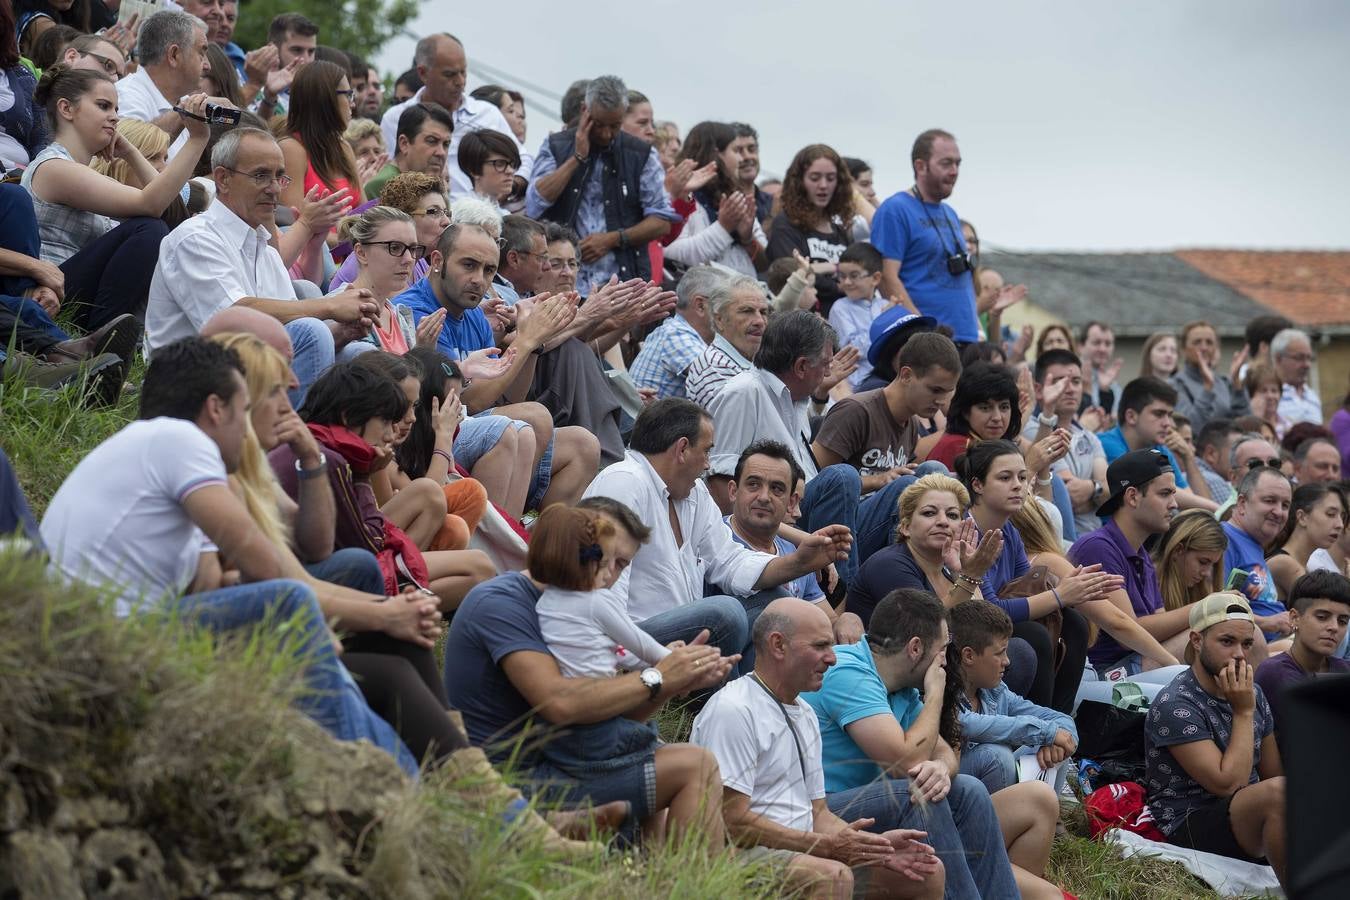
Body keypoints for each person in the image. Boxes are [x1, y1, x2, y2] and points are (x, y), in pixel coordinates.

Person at [39, 336, 418, 774]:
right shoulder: (181, 441)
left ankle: (387, 768)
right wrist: (366, 615)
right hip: (97, 639)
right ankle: (382, 773)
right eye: (250, 404)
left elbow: (211, 584)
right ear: (217, 408)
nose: (288, 396)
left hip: (113, 628)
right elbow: (264, 565)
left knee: (316, 595)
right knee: (289, 602)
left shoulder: (175, 457)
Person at [442, 502, 737, 849]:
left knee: (662, 759)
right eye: (605, 557)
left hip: (560, 762)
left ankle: (649, 876)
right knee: (694, 765)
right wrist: (658, 676)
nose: (610, 574)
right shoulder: (502, 602)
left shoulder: (575, 608)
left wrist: (673, 681)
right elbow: (561, 704)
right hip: (503, 783)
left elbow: (607, 714)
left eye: (622, 564)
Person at [802, 588, 1051, 900]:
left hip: (870, 803)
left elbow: (946, 752)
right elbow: (903, 766)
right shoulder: (850, 673)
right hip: (820, 812)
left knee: (969, 790)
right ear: (916, 648)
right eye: (944, 648)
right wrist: (936, 693)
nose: (946, 660)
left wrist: (940, 768)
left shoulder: (901, 685)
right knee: (918, 791)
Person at [691, 597, 944, 900]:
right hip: (737, 858)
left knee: (927, 873)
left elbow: (818, 813)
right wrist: (822, 847)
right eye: (821, 646)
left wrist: (870, 846)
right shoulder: (735, 709)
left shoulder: (804, 713)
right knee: (832, 875)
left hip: (802, 850)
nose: (832, 657)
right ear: (778, 645)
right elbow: (730, 821)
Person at [582, 398, 852, 665]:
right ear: (683, 449)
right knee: (726, 612)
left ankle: (754, 701)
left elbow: (730, 561)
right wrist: (627, 663)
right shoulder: (623, 483)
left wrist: (798, 562)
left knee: (776, 606)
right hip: (626, 644)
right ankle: (719, 701)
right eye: (708, 451)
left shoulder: (694, 493)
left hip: (682, 639)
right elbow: (600, 596)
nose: (709, 465)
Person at [145, 127, 378, 407]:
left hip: (246, 370)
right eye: (261, 175)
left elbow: (285, 332)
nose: (275, 188)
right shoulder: (195, 238)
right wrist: (330, 307)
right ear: (223, 178)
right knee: (312, 328)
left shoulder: (263, 247)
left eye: (280, 176)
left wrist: (340, 333)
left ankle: (333, 445)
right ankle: (289, 446)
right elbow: (232, 319)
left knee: (361, 355)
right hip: (188, 386)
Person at [21, 65, 210, 330]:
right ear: (67, 109)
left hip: (72, 289)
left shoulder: (82, 173)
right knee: (148, 229)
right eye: (103, 106)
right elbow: (151, 205)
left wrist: (130, 152)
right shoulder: (54, 167)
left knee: (158, 229)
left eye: (116, 110)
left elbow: (171, 213)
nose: (114, 118)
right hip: (51, 291)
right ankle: (104, 336)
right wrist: (197, 139)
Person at [959, 440, 1119, 711]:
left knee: (1074, 621)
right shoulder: (966, 530)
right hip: (965, 634)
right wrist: (1060, 594)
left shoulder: (1008, 529)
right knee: (1034, 634)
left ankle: (1061, 720)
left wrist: (1073, 587)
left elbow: (1027, 585)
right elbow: (990, 610)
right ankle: (1039, 730)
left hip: (998, 623)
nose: (1018, 485)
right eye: (1005, 477)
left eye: (1022, 477)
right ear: (977, 485)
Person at [1143, 593, 1286, 886]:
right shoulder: (1175, 702)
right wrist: (1243, 713)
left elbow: (1273, 772)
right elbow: (1227, 784)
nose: (1239, 654)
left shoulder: (1252, 693)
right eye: (1227, 641)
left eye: (1246, 644)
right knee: (1278, 794)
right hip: (1189, 822)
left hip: (1245, 812)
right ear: (1197, 641)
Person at [812, 332, 962, 566]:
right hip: (838, 532)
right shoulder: (856, 411)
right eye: (935, 390)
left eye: (947, 392)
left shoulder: (911, 423)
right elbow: (815, 485)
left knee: (934, 471)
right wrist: (878, 481)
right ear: (906, 375)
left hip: (879, 532)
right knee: (905, 486)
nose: (942, 401)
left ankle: (931, 572)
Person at [527, 74, 679, 293]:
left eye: (615, 126)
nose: (607, 134)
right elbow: (534, 205)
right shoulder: (555, 145)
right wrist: (577, 158)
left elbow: (662, 222)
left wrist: (612, 239)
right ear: (584, 111)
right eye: (599, 125)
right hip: (561, 286)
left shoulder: (641, 154)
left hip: (622, 284)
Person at [725, 441, 864, 645]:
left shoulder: (794, 550)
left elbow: (829, 623)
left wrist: (847, 620)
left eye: (776, 489)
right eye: (753, 484)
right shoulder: (713, 539)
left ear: (791, 502)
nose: (764, 497)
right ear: (733, 491)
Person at [1067, 449, 1191, 677]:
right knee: (1211, 630)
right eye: (1165, 494)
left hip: (1139, 663)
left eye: (1173, 494)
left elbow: (1160, 625)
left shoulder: (1141, 553)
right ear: (1132, 496)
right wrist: (1205, 608)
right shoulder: (1097, 547)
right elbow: (1128, 635)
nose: (1174, 504)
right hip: (1103, 675)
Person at [950, 599, 1078, 796]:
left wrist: (1055, 738)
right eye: (999, 653)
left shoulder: (995, 690)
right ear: (969, 656)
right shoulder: (942, 687)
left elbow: (1061, 719)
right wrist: (1048, 733)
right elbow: (964, 723)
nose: (1007, 661)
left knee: (1058, 745)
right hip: (953, 792)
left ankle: (1051, 818)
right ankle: (1002, 824)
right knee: (997, 756)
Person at [380, 33, 530, 199]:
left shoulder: (487, 114)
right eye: (449, 74)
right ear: (423, 73)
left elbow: (523, 158)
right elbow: (387, 173)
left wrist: (510, 187)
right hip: (423, 217)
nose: (460, 81)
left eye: (463, 72)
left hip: (482, 219)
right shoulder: (394, 119)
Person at [869, 129, 978, 344]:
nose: (955, 171)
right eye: (946, 163)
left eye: (958, 163)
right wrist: (923, 332)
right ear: (920, 166)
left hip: (966, 337)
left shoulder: (949, 213)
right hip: (931, 343)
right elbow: (887, 277)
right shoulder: (896, 209)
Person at [1020, 348, 1109, 537]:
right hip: (1060, 540)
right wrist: (1097, 492)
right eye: (1059, 381)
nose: (1069, 388)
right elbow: (1069, 494)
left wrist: (1093, 489)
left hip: (1097, 535)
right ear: (1038, 389)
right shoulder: (1030, 428)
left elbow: (1111, 493)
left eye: (1076, 381)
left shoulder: (1089, 436)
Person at [663, 121, 766, 278]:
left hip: (746, 294)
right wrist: (723, 228)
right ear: (717, 153)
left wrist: (747, 238)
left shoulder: (735, 196)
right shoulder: (682, 195)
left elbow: (766, 262)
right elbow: (670, 250)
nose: (741, 159)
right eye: (736, 150)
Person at [1098, 376, 1217, 511]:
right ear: (1131, 416)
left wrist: (1188, 457)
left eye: (1169, 415)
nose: (1168, 423)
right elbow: (1156, 488)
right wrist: (1217, 509)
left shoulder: (1160, 449)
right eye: (1159, 414)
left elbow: (1191, 505)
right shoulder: (1105, 443)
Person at [1254, 570, 1350, 736]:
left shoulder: (1344, 670)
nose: (1334, 627)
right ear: (1294, 618)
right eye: (1322, 617)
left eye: (1342, 621)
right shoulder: (1274, 672)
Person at [333, 206, 439, 354]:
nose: (409, 259)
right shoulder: (335, 309)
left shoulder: (399, 315)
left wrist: (423, 352)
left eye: (413, 249)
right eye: (395, 248)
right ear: (361, 253)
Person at [765, 144, 854, 315]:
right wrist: (839, 283)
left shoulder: (840, 231)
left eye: (830, 178)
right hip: (806, 321)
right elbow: (788, 273)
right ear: (799, 182)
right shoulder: (785, 224)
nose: (823, 185)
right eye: (814, 178)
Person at [329, 170, 447, 291]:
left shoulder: (419, 260)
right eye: (434, 212)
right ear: (404, 215)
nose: (447, 221)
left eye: (446, 213)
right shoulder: (374, 256)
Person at [114, 10, 209, 159]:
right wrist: (186, 112)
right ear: (174, 55)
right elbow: (124, 159)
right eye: (201, 53)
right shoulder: (126, 96)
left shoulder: (182, 101)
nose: (207, 66)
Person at [278, 60, 363, 213]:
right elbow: (293, 223)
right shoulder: (291, 150)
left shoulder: (344, 147)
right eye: (348, 95)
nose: (353, 104)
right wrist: (342, 237)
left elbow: (364, 211)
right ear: (325, 98)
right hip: (318, 237)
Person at [1224, 465, 1295, 644]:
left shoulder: (1254, 543)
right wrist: (1269, 623)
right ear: (1242, 503)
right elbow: (1214, 608)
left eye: (1285, 505)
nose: (1279, 512)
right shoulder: (1224, 539)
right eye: (1270, 501)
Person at [629, 264, 717, 400]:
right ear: (700, 305)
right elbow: (723, 383)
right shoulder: (677, 334)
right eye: (726, 304)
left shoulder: (676, 329)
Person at [684, 271, 768, 408]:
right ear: (719, 320)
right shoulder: (714, 369)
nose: (760, 321)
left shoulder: (756, 359)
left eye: (763, 312)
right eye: (747, 311)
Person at [1265, 482, 1346, 604]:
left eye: (1342, 517)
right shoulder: (1285, 563)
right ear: (1302, 517)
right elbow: (1326, 606)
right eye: (1331, 514)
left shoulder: (1303, 565)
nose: (1340, 524)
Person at [1169, 320, 1250, 432]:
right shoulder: (1175, 385)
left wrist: (1237, 386)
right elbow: (1190, 429)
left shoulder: (1225, 382)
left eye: (1209, 342)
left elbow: (1247, 426)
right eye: (1197, 342)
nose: (1204, 348)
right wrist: (1207, 389)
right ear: (1183, 350)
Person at [828, 242, 889, 389]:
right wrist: (884, 324)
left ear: (875, 278)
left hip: (888, 378)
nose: (847, 282)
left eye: (854, 276)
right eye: (842, 276)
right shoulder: (840, 308)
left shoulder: (884, 305)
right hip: (859, 383)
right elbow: (851, 350)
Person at [363, 101, 452, 201]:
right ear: (404, 143)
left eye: (446, 144)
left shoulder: (435, 186)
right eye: (432, 141)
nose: (441, 152)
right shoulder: (382, 185)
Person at [1155, 509, 1232, 616]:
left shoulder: (1200, 588)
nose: (1207, 573)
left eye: (1213, 565)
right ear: (1178, 550)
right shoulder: (1147, 581)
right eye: (1203, 562)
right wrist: (1206, 606)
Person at [250, 13, 318, 120]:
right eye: (297, 50)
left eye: (311, 51)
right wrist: (269, 98)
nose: (306, 60)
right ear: (273, 49)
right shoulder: (252, 92)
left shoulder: (319, 94)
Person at [458, 129, 520, 208]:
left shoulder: (503, 213)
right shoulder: (464, 213)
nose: (510, 171)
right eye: (500, 164)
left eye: (512, 164)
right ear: (474, 170)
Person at [1271, 327, 1320, 425]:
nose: (1307, 365)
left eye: (1309, 358)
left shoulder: (1312, 396)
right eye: (1299, 358)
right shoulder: (1270, 396)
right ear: (1278, 359)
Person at [1077, 322, 1122, 419]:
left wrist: (1105, 391)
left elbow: (1110, 424)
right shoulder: (1068, 376)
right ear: (1081, 346)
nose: (1103, 349)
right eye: (1096, 343)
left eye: (1108, 344)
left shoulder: (1114, 387)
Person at [1193, 418, 1242, 506]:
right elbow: (1230, 519)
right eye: (1236, 451)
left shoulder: (1187, 473)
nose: (1241, 459)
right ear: (1211, 454)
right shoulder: (1214, 481)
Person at [1243, 361, 1290, 442]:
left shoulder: (1288, 426)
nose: (1270, 396)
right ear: (1251, 395)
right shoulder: (1243, 426)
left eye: (1274, 391)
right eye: (1263, 391)